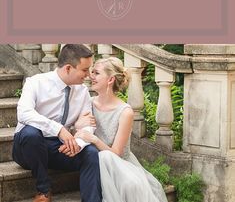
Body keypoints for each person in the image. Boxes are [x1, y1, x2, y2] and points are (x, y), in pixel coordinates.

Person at [70, 56, 168, 202]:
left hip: (120, 164)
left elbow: (116, 153)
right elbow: (77, 134)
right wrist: (77, 126)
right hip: (93, 162)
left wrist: (94, 139)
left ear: (110, 80)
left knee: (107, 158)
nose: (91, 76)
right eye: (92, 72)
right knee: (100, 157)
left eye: (97, 73)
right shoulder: (88, 103)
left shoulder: (125, 112)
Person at [12, 44, 102, 202]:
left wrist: (78, 143)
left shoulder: (82, 92)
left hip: (59, 148)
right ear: (68, 68)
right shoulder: (35, 82)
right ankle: (44, 191)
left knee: (91, 153)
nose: (88, 75)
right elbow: (24, 113)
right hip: (28, 149)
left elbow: (88, 124)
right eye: (84, 70)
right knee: (31, 133)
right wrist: (59, 129)